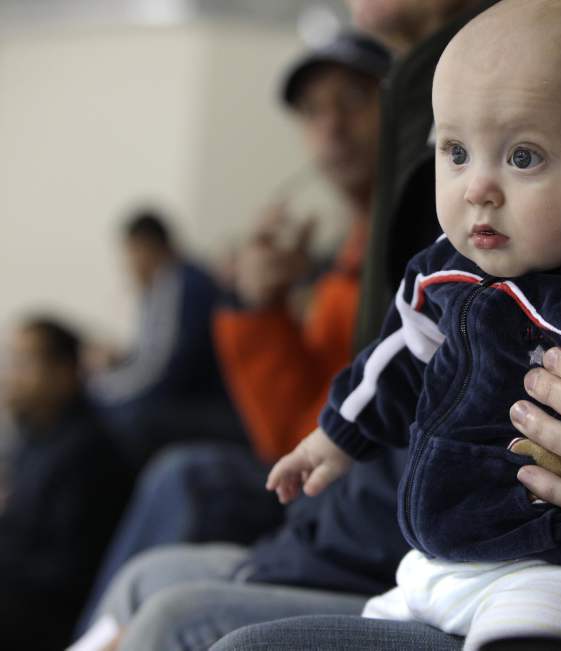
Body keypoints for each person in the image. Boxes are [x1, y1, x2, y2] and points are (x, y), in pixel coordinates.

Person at [81, 0, 561, 647]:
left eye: (523, 158)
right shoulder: (449, 268)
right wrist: (335, 435)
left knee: (527, 630)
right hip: (439, 558)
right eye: (455, 152)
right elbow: (401, 351)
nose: (476, 188)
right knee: (366, 615)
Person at [73, 31, 394, 637]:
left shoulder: (408, 245)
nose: (331, 125)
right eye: (312, 112)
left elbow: (301, 437)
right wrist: (260, 308)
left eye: (353, 99)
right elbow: (290, 430)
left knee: (184, 473)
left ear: (401, 106)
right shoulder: (342, 256)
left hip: (355, 495)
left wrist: (260, 313)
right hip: (320, 469)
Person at [0, 317, 130, 651]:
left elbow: (68, 572)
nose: (10, 376)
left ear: (65, 372)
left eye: (24, 363)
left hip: (47, 616)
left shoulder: (87, 451)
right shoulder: (36, 434)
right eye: (10, 361)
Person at [87, 210, 242, 469]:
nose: (128, 265)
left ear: (149, 247)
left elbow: (162, 372)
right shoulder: (162, 287)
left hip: (215, 407)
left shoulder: (182, 283)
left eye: (131, 253)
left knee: (122, 417)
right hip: (189, 399)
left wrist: (97, 390)